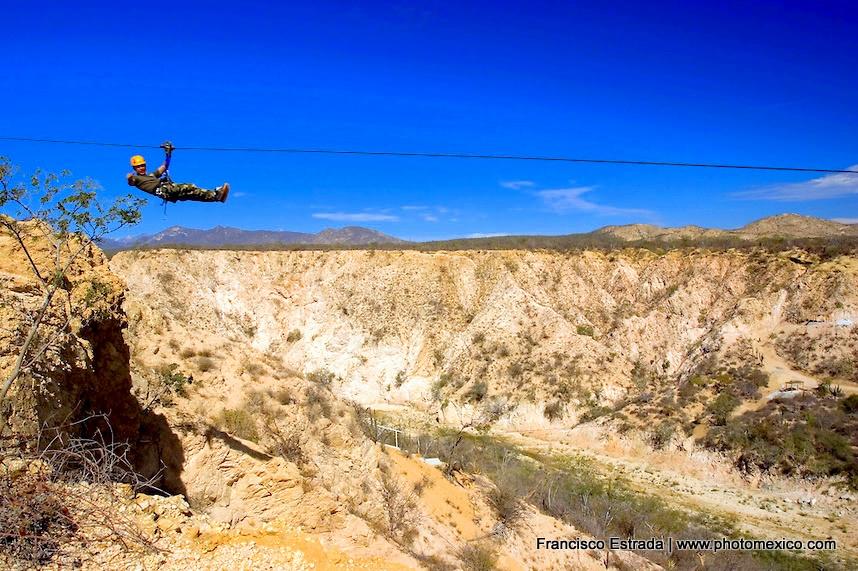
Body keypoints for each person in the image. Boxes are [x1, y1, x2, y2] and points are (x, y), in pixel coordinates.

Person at [126, 142, 229, 203]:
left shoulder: (152, 175)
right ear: (134, 168)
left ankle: (216, 197)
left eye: (142, 165)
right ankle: (215, 193)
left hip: (169, 193)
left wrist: (168, 154)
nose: (141, 168)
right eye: (138, 166)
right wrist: (129, 178)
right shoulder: (137, 179)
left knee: (193, 194)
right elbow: (131, 182)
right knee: (189, 186)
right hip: (165, 190)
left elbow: (164, 167)